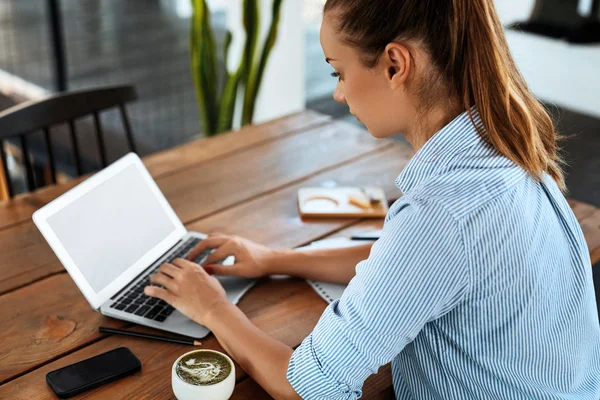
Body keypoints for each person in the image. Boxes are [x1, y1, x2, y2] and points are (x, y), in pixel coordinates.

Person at [145, 0, 600, 398]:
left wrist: (212, 308)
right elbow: (410, 267)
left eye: (338, 71)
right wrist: (275, 259)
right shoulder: (506, 149)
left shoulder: (440, 214)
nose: (339, 93)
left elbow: (306, 385)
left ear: (395, 65)